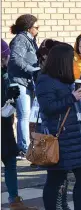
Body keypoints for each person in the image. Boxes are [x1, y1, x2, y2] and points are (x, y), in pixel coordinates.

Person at [36, 43, 81, 210]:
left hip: (77, 137)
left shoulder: (66, 79)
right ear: (62, 60)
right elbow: (48, 108)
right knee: (55, 179)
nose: (73, 61)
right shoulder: (45, 80)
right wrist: (71, 98)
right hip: (60, 138)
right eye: (71, 59)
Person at [2, 39, 38, 210]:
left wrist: (10, 102)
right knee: (9, 163)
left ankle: (15, 201)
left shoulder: (5, 75)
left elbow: (8, 100)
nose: (8, 59)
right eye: (6, 56)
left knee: (10, 162)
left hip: (5, 127)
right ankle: (14, 201)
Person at [8, 14, 40, 160]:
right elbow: (15, 58)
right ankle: (23, 148)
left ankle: (25, 146)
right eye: (36, 27)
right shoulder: (21, 39)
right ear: (29, 28)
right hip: (20, 82)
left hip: (27, 82)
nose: (38, 29)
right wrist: (31, 69)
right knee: (23, 115)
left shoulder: (30, 40)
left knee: (25, 115)